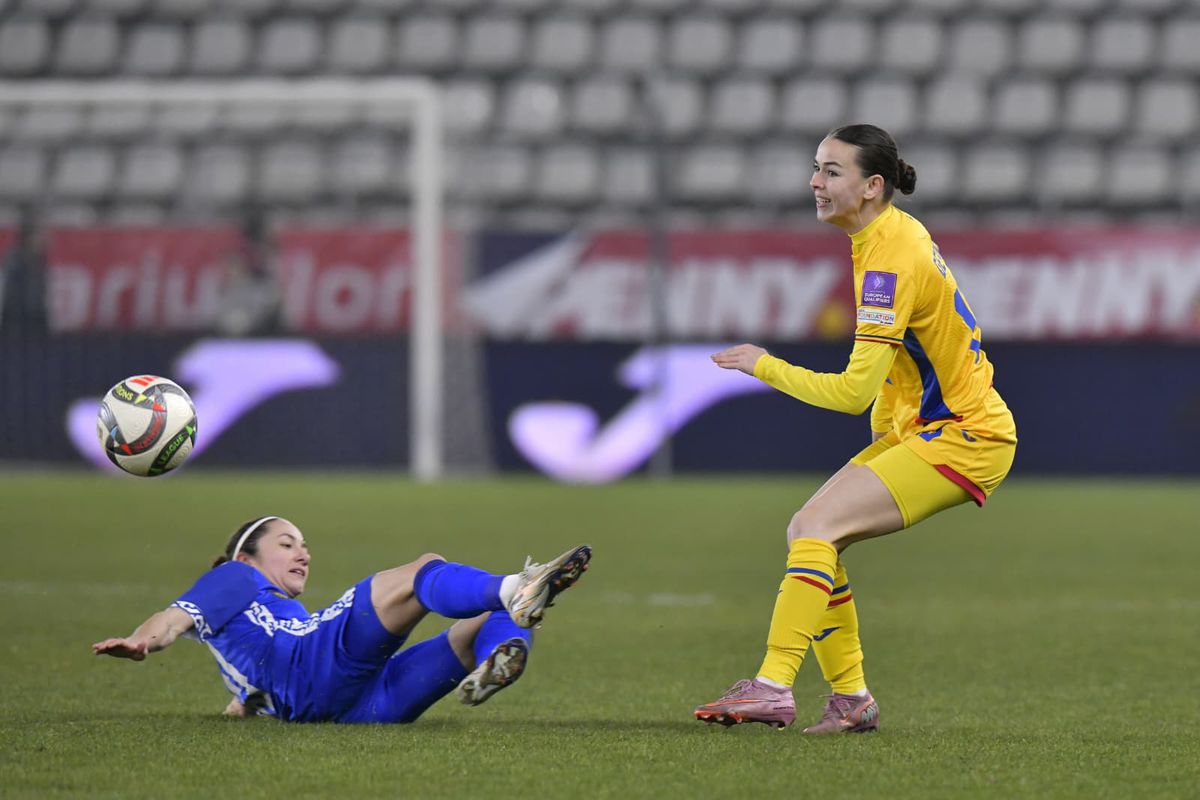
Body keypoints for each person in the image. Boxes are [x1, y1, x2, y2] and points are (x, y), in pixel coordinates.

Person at [693, 124, 1017, 733]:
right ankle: (851, 701)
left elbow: (850, 392)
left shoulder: (889, 258)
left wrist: (763, 365)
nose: (815, 182)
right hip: (927, 429)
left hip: (965, 435)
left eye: (831, 171)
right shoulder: (886, 236)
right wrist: (888, 437)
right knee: (811, 532)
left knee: (816, 525)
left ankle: (771, 686)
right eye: (815, 168)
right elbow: (904, 366)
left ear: (872, 186)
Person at [93, 515, 591, 723]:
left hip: (345, 709)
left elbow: (254, 684)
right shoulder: (233, 578)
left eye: (305, 546)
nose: (303, 554)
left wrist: (241, 708)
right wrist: (141, 641)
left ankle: (501, 654)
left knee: (491, 617)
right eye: (286, 545)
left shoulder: (261, 622)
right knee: (421, 569)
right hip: (316, 664)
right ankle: (515, 587)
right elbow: (172, 619)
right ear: (245, 558)